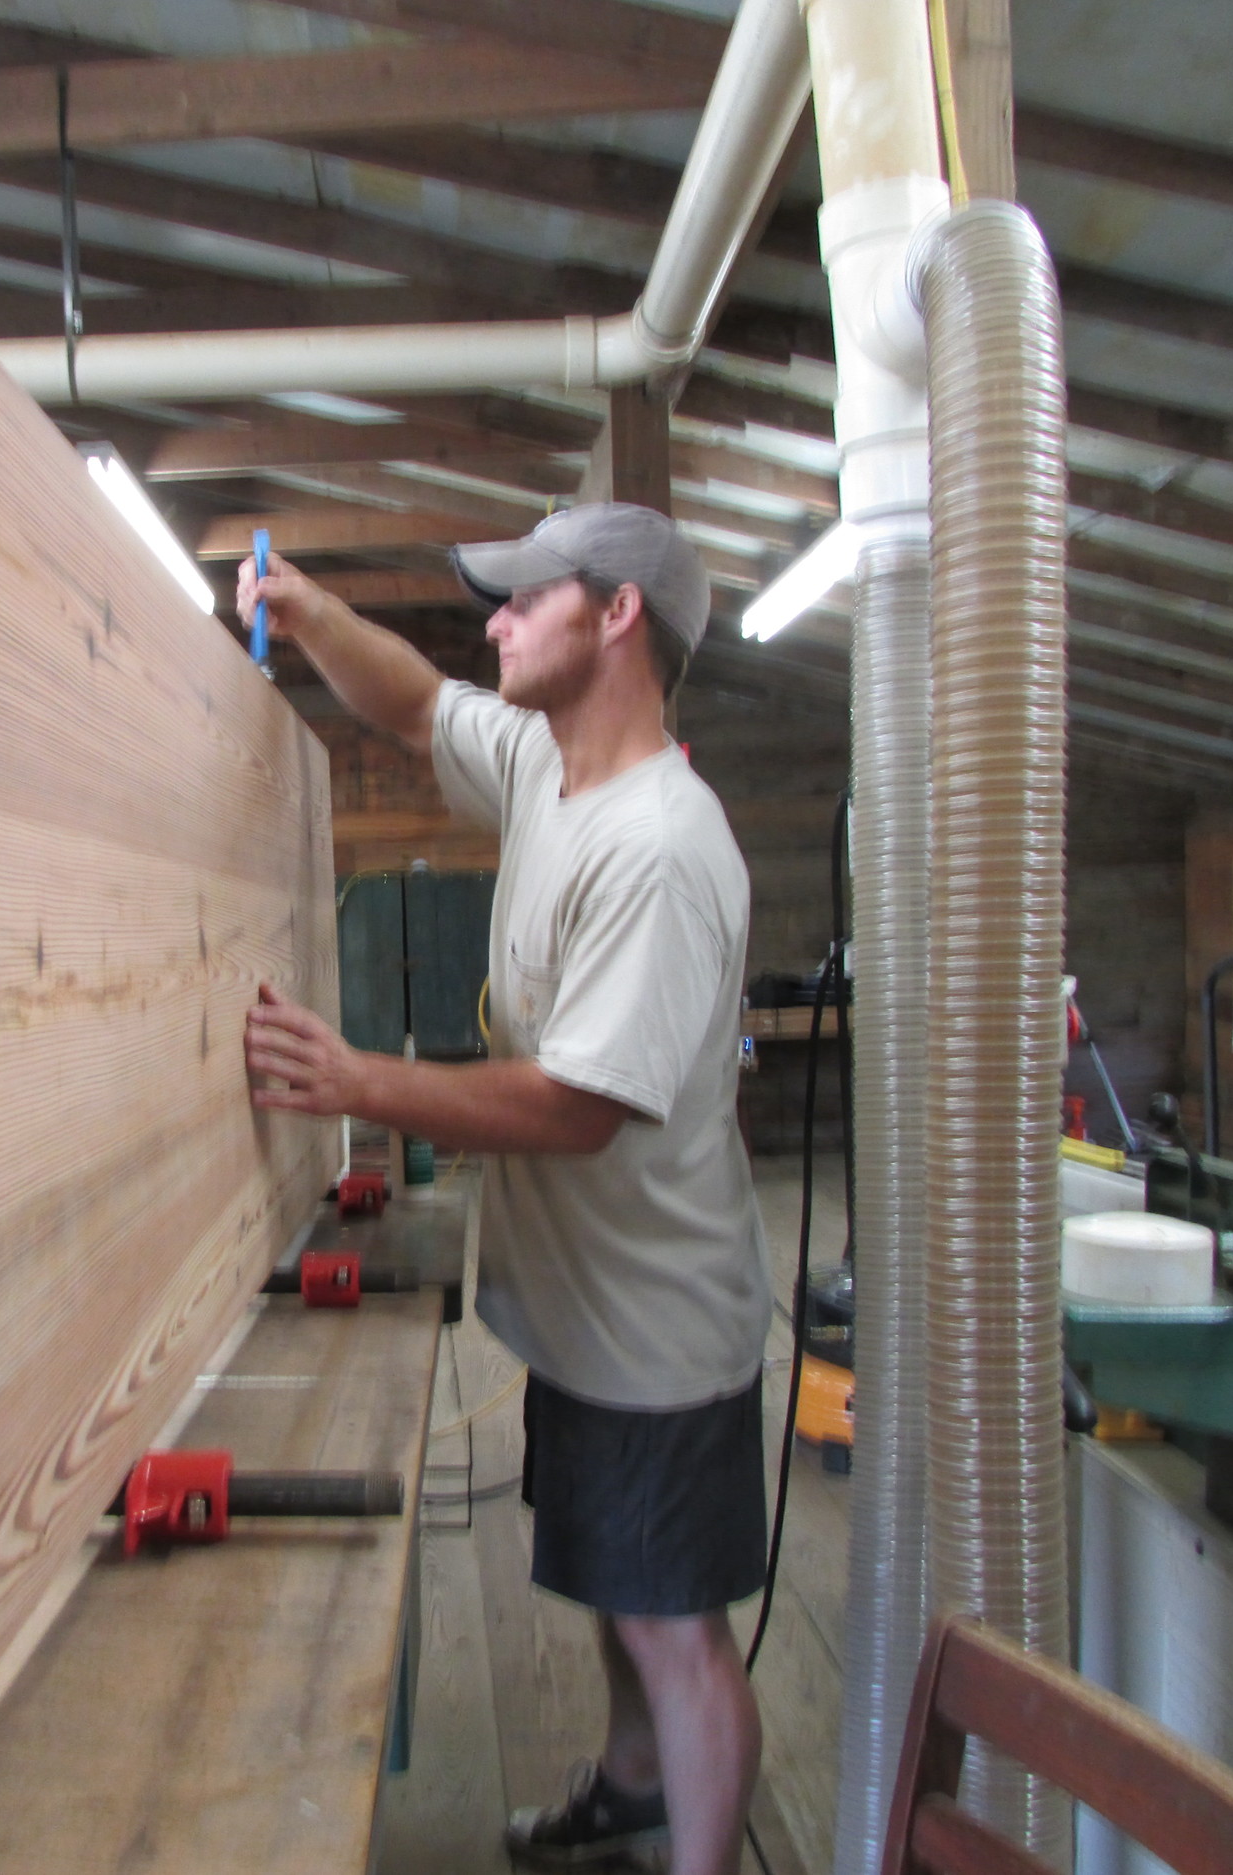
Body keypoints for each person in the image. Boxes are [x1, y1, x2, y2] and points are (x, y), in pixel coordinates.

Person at [239, 503, 772, 1875]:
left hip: (657, 1326)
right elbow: (418, 705)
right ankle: (634, 1790)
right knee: (617, 1584)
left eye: (527, 597)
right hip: (587, 1309)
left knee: (674, 1626)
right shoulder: (546, 763)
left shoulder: (661, 848)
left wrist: (359, 1080)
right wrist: (309, 612)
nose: (498, 620)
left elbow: (577, 1109)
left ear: (617, 615)